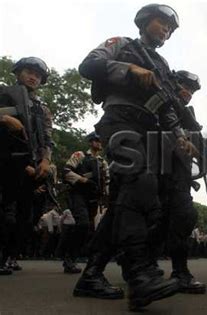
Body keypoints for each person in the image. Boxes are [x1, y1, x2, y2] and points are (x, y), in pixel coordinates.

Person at [72, 4, 196, 310]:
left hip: (147, 130)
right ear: (144, 22)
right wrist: (128, 69)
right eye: (161, 23)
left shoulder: (162, 64)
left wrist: (181, 137)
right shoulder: (121, 44)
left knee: (120, 206)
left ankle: (91, 275)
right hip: (118, 120)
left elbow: (166, 106)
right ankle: (140, 275)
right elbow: (89, 65)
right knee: (140, 183)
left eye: (169, 28)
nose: (165, 30)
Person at [157, 70, 207, 294]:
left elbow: (199, 140)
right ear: (175, 84)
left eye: (193, 90)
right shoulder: (161, 102)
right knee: (146, 220)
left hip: (178, 174)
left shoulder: (187, 114)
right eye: (186, 87)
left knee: (183, 216)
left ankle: (179, 272)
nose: (189, 93)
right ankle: (136, 268)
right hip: (154, 169)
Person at [0, 57, 53, 273]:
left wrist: (46, 160)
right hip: (6, 160)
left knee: (26, 215)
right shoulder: (4, 94)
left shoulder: (42, 108)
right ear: (18, 73)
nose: (33, 77)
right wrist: (4, 118)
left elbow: (48, 138)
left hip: (33, 166)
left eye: (38, 75)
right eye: (29, 72)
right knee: (5, 210)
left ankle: (11, 255)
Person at [59, 132, 108, 273]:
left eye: (100, 141)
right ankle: (68, 257)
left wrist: (105, 196)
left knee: (88, 228)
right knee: (82, 223)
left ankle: (73, 257)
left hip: (93, 198)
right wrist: (84, 180)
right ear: (90, 142)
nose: (99, 143)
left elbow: (107, 181)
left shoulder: (102, 162)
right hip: (78, 194)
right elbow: (66, 171)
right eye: (96, 140)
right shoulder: (80, 155)